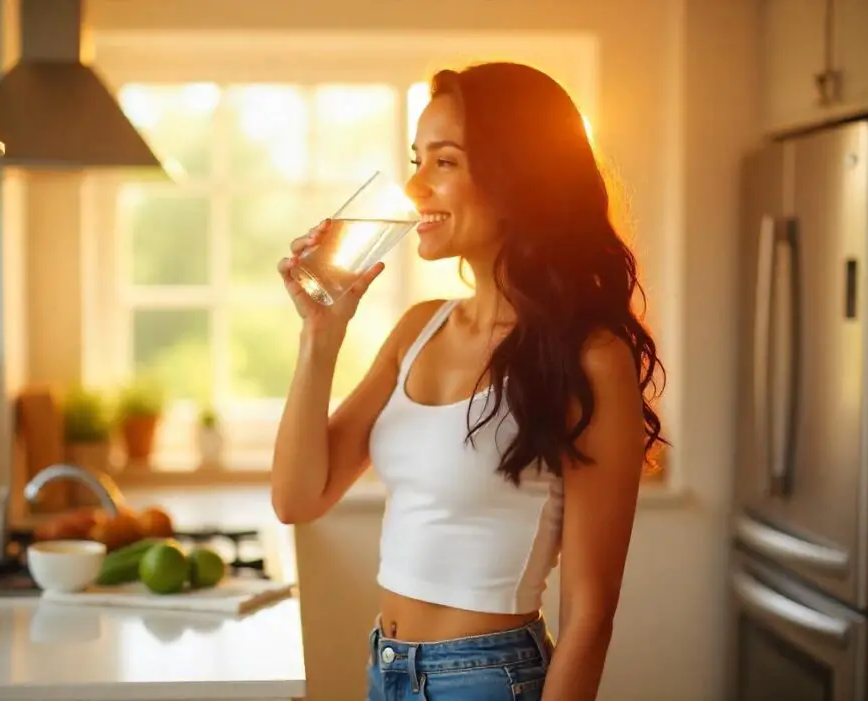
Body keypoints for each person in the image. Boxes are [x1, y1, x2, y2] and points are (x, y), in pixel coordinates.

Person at [272, 61, 666, 701]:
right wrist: (320, 335)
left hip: (488, 679)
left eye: (443, 162)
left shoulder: (588, 356)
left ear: (519, 178)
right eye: (415, 159)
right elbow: (298, 499)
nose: (413, 186)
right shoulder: (419, 329)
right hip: (386, 667)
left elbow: (592, 614)